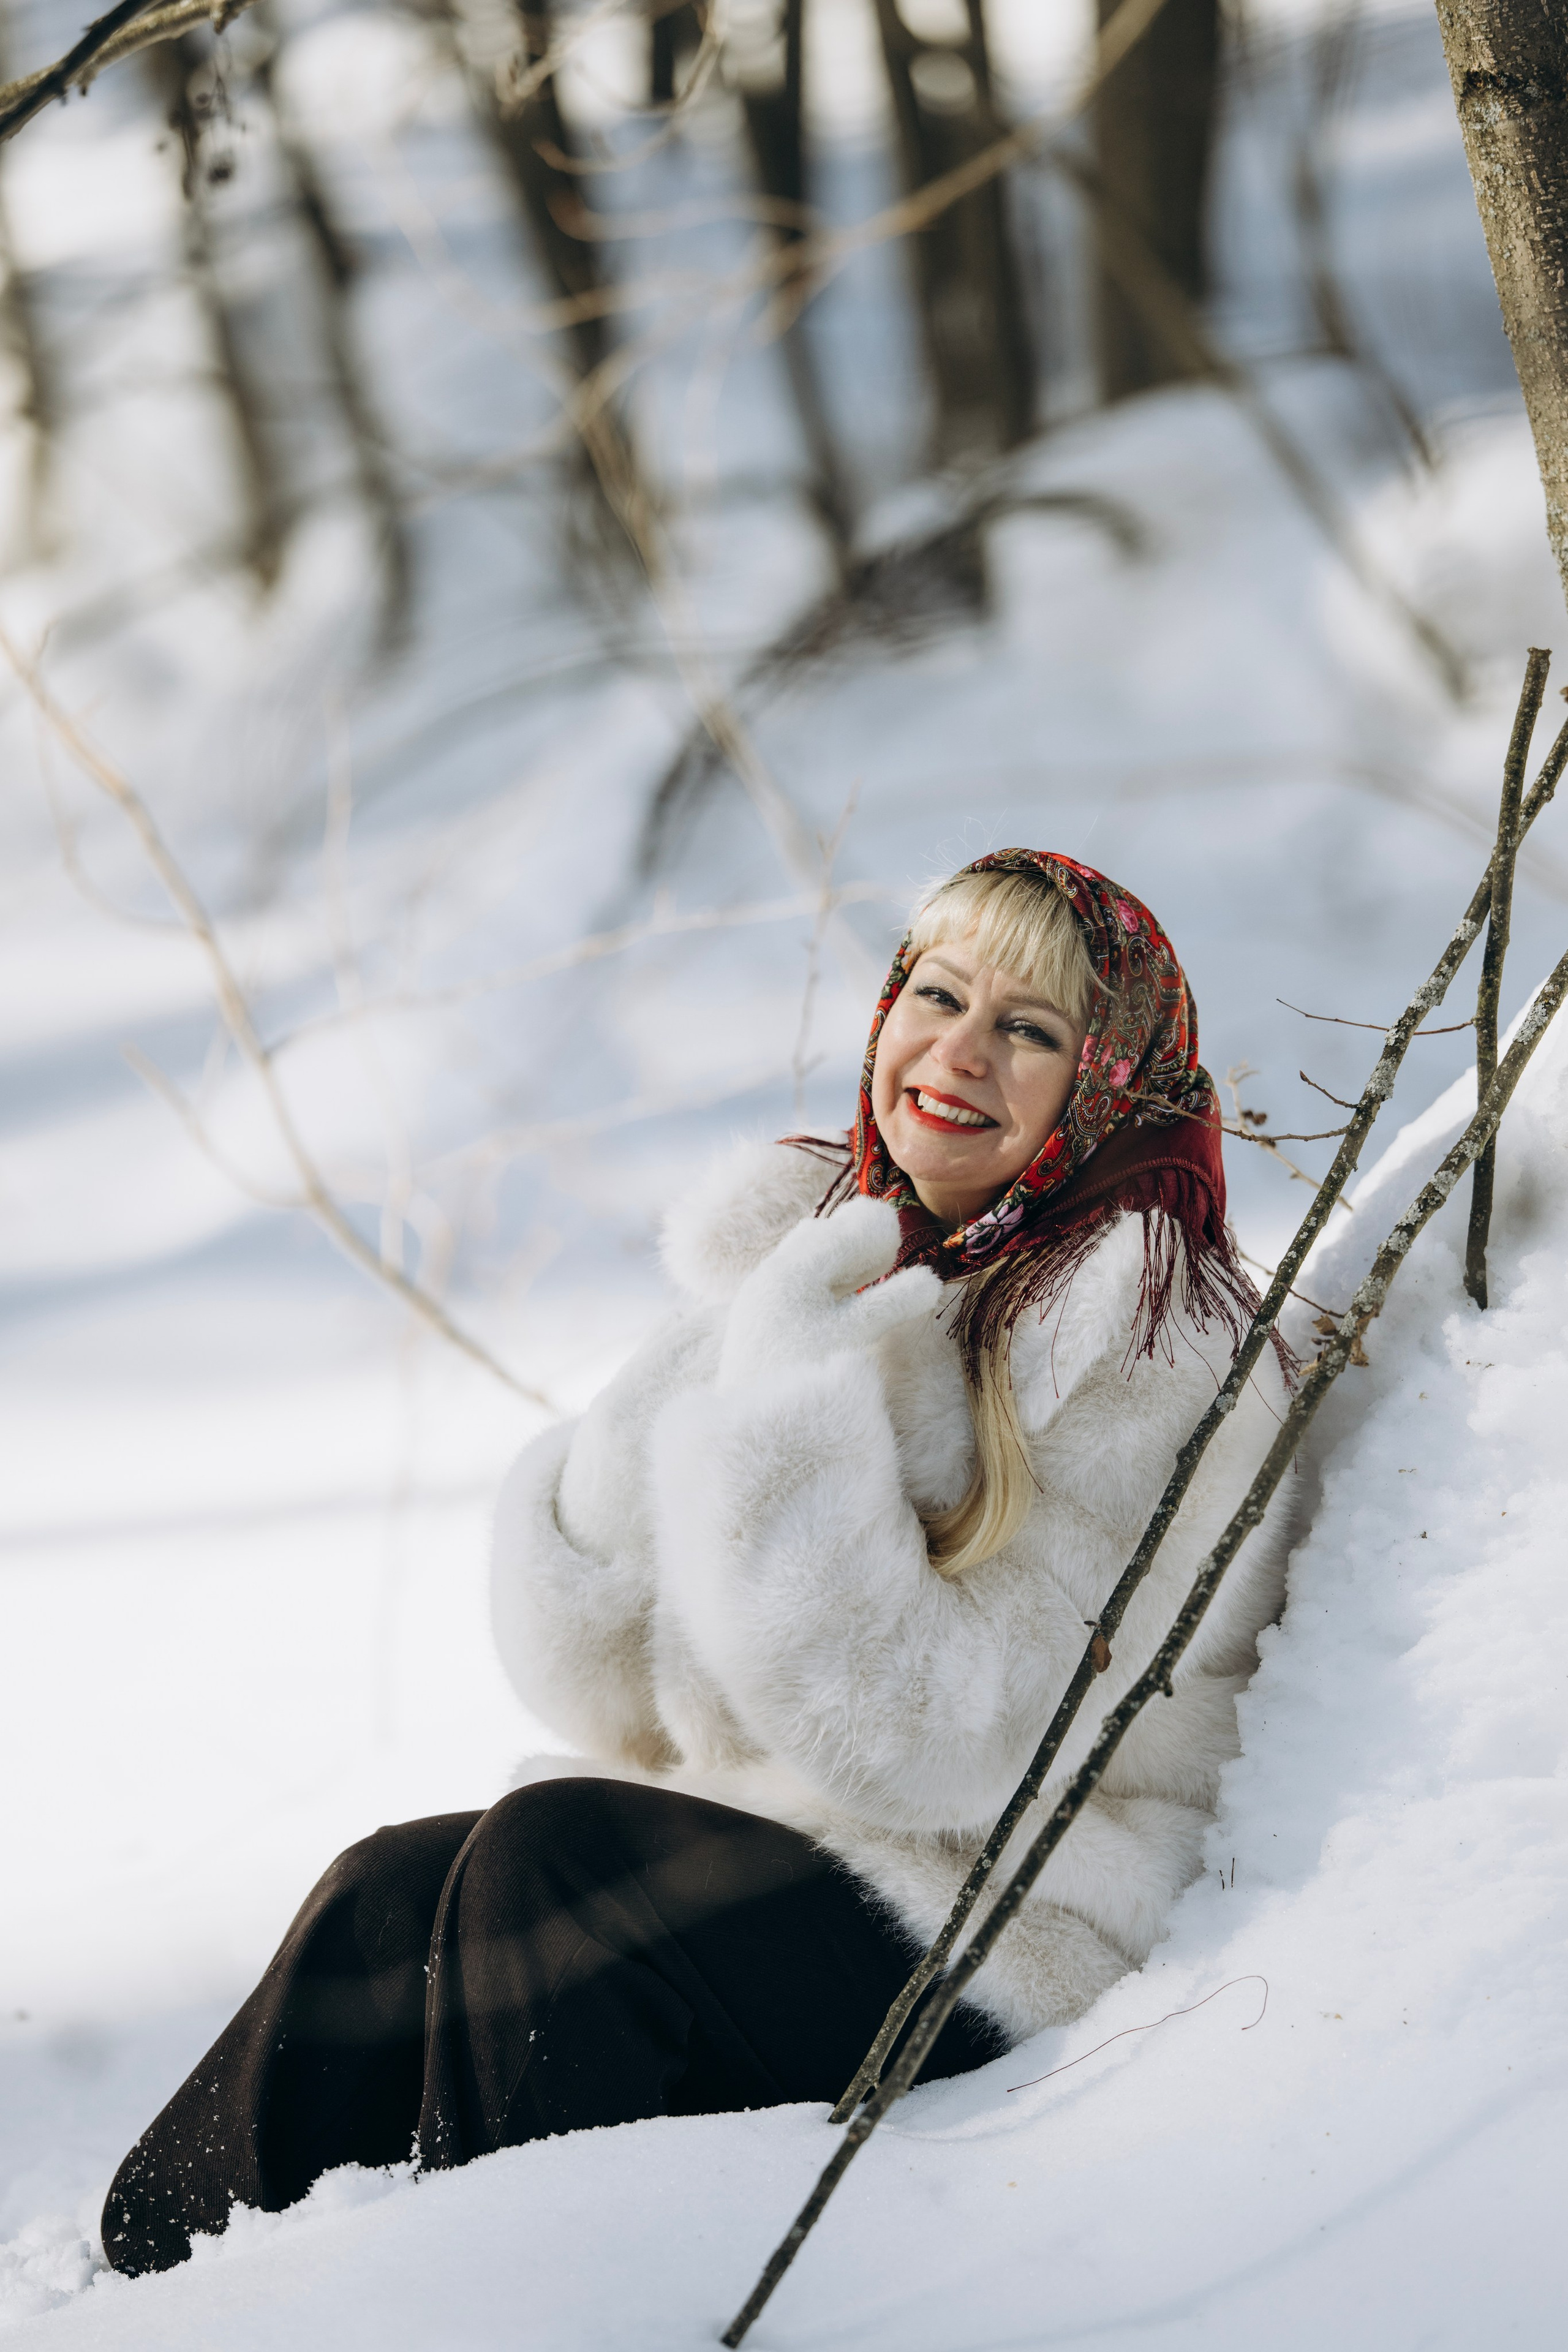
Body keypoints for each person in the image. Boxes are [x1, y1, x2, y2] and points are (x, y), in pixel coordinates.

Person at [102, 849, 1294, 2277]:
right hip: (785, 1844)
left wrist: (790, 1384)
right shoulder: (842, 1243)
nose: (955, 1052)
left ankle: (495, 2300)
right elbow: (593, 1679)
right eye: (935, 993)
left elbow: (929, 1745)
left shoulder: (1145, 1340)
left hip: (1002, 1916)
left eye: (1028, 1030)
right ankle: (154, 2298)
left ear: (1104, 1081)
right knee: (391, 1893)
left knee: (559, 1868)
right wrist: (705, 1363)